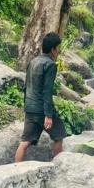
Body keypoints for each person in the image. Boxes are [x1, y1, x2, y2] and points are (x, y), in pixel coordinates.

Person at [14, 32, 67, 163]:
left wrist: (26, 106)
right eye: (58, 48)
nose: (59, 51)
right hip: (41, 109)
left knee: (25, 142)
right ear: (53, 49)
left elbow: (26, 86)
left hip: (30, 108)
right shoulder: (50, 65)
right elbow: (47, 91)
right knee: (59, 134)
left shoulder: (33, 61)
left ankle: (16, 168)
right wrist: (48, 115)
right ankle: (59, 167)